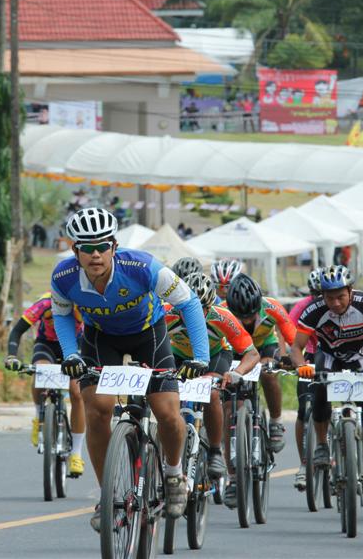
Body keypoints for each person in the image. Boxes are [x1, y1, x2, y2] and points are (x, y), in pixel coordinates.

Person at [51, 207, 211, 531]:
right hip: (100, 338)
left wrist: (201, 357)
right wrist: (70, 354)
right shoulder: (63, 277)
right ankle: (107, 496)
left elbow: (189, 302)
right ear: (75, 250)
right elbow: (62, 315)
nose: (95, 255)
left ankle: (174, 475)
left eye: (102, 246)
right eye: (87, 248)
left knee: (168, 413)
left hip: (148, 335)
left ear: (114, 246)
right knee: (98, 409)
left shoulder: (142, 267)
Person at [290, 265, 363, 508]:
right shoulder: (314, 310)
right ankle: (322, 445)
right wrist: (301, 366)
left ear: (351, 291)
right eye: (329, 298)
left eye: (340, 296)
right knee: (318, 391)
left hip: (361, 357)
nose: (335, 303)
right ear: (322, 296)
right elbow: (296, 348)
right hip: (329, 357)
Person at [164, 273, 261, 498]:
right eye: (188, 309)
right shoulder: (167, 313)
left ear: (210, 305)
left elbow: (252, 353)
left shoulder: (222, 316)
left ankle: (215, 451)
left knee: (213, 393)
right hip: (179, 355)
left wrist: (237, 372)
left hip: (215, 356)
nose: (195, 315)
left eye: (202, 309)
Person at [4, 292, 86, 476]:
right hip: (46, 344)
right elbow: (17, 331)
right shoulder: (44, 303)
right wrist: (11, 356)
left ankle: (76, 453)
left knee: (76, 392)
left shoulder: (81, 303)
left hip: (74, 346)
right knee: (39, 371)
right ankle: (38, 416)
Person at [226, 273, 296, 458]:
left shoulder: (272, 306)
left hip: (265, 347)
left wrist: (295, 359)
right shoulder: (223, 310)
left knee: (268, 374)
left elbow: (293, 338)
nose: (247, 321)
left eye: (251, 315)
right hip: (237, 350)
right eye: (241, 316)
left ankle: (276, 422)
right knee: (231, 398)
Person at [286, 267, 322, 491]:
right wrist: (288, 357)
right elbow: (288, 332)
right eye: (315, 294)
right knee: (303, 408)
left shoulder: (340, 305)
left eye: (323, 294)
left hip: (334, 355)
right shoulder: (303, 306)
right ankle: (303, 464)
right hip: (309, 355)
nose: (320, 299)